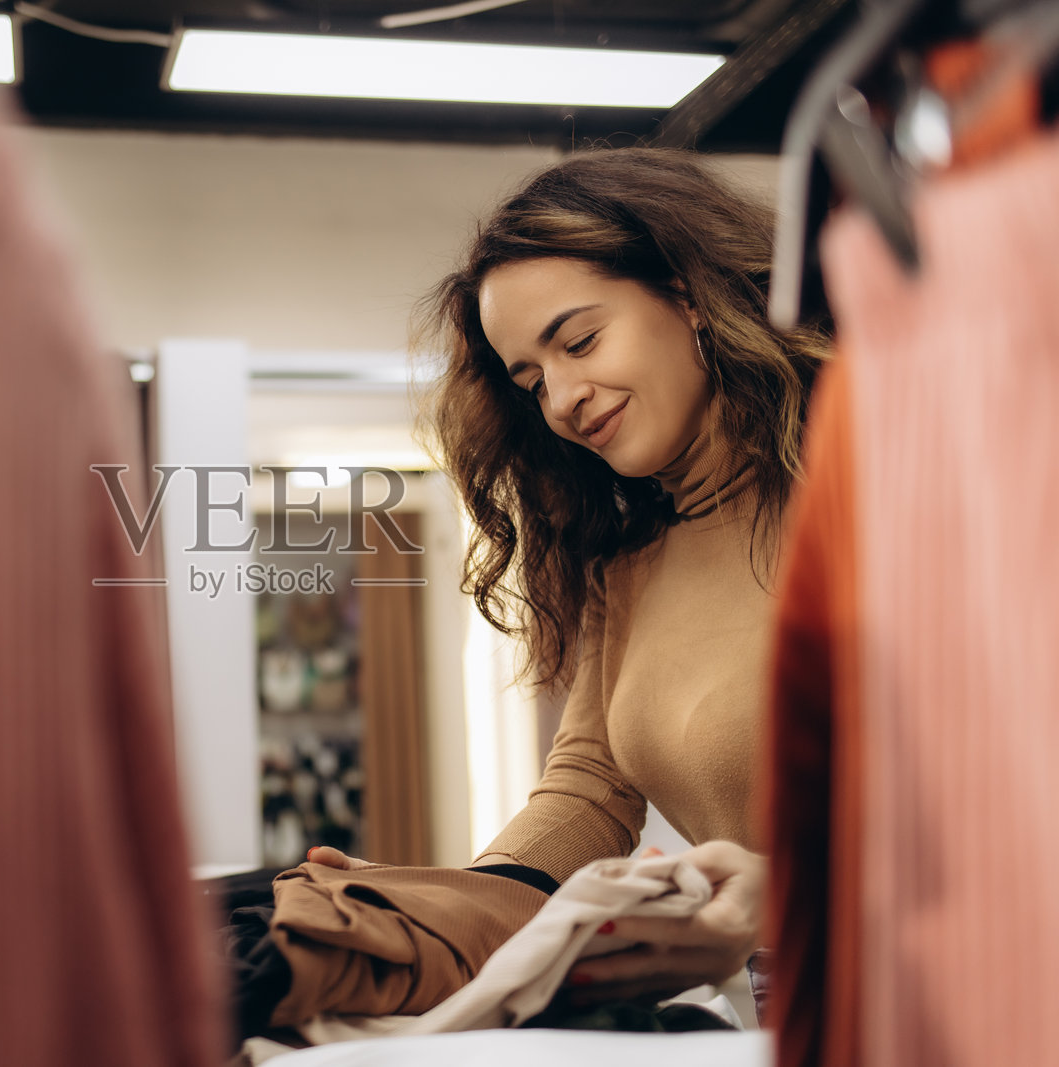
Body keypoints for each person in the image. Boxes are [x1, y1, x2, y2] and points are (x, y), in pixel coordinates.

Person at [311, 147, 828, 1012]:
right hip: (794, 1009)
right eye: (532, 380)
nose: (561, 398)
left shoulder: (881, 486)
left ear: (688, 293)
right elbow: (589, 788)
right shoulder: (628, 565)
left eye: (579, 341)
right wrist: (440, 904)